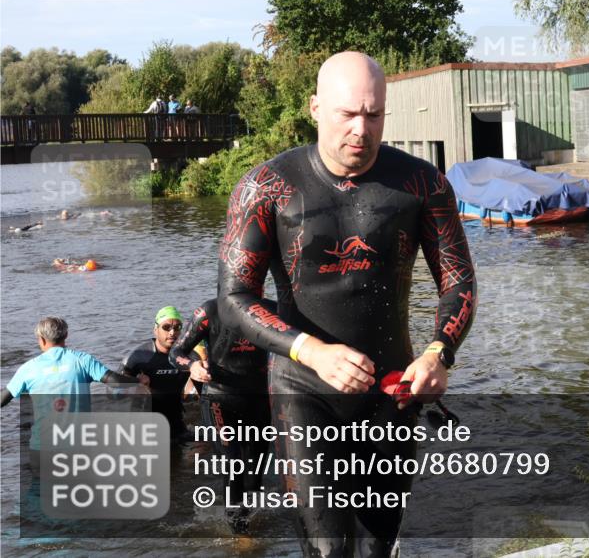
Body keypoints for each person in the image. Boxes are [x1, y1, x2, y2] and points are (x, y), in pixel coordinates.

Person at [218, 51, 477, 557]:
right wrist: (310, 351)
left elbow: (459, 280)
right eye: (347, 114)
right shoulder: (266, 186)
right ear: (315, 107)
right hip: (303, 389)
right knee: (328, 548)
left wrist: (438, 353)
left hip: (392, 391)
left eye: (374, 114)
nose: (362, 129)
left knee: (379, 545)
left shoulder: (421, 184)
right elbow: (234, 299)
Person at [169, 296, 273, 534]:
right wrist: (192, 366)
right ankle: (240, 534)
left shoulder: (270, 309)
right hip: (219, 399)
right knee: (232, 465)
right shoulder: (209, 311)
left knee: (253, 476)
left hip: (258, 401)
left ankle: (250, 525)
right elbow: (176, 351)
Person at [1, 318, 137, 461]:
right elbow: (117, 382)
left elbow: (3, 399)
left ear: (41, 339)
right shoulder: (83, 360)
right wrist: (139, 380)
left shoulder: (28, 368)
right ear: (66, 336)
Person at [121, 306, 193, 442]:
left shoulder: (188, 355)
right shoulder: (139, 356)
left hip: (176, 422)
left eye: (177, 327)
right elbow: (114, 390)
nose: (172, 332)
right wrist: (135, 383)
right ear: (156, 330)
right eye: (166, 327)